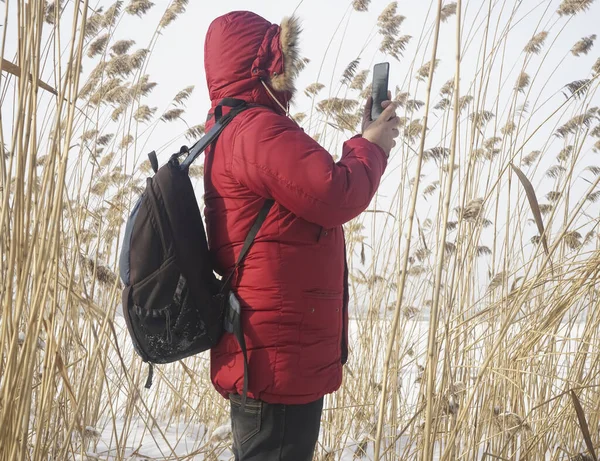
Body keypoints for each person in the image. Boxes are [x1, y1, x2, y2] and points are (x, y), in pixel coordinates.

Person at [202, 10, 399, 461]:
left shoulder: (233, 129)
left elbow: (310, 192)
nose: (286, 71)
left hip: (270, 354)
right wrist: (372, 147)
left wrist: (364, 140)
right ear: (261, 62)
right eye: (280, 58)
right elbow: (334, 193)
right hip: (277, 362)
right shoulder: (257, 130)